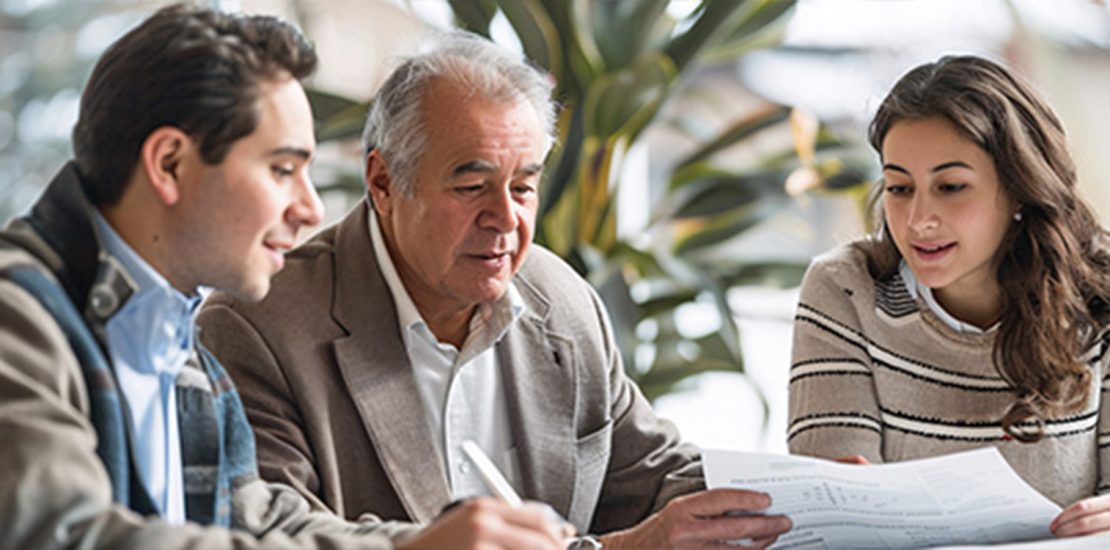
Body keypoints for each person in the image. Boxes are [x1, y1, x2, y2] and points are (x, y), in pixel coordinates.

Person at [0, 5, 568, 548]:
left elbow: (262, 526)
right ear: (170, 164)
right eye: (282, 169)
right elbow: (65, 536)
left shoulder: (180, 349)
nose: (310, 208)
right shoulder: (17, 319)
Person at [198, 31, 793, 548]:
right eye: (472, 186)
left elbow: (653, 475)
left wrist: (807, 499)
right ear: (383, 181)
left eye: (524, 187)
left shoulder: (560, 298)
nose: (506, 219)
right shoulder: (259, 323)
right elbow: (271, 536)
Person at [787, 54, 1110, 538]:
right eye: (899, 188)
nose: (919, 220)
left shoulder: (1099, 288)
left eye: (951, 186)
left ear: (1021, 189)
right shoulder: (844, 290)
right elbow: (839, 514)